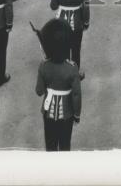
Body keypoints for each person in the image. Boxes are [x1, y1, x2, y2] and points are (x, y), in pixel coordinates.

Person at [35, 18, 82, 151]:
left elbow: (39, 91)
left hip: (48, 112)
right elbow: (76, 95)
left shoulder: (44, 66)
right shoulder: (72, 68)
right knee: (65, 145)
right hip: (67, 114)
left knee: (50, 145)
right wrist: (77, 114)